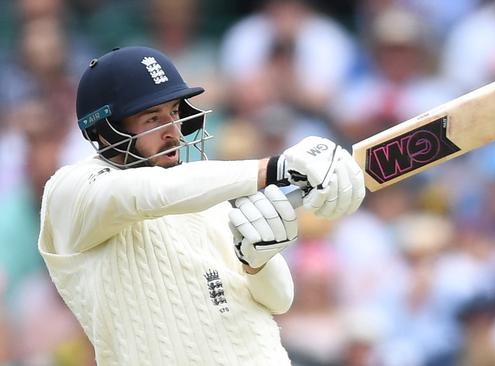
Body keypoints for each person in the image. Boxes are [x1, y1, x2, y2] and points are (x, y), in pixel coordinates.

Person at [36, 46, 365, 365]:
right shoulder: (70, 192)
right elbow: (149, 193)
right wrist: (274, 168)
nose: (174, 132)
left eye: (175, 113)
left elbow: (279, 301)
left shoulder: (204, 194)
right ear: (105, 130)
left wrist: (258, 265)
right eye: (152, 119)